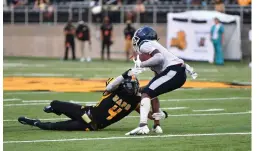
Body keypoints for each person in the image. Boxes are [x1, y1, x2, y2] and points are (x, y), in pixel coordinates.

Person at [18, 69, 167, 132]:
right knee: (54, 107)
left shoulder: (135, 100)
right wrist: (160, 114)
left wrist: (160, 114)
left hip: (90, 120)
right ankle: (52, 111)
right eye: (128, 86)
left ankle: (33, 121)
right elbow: (111, 85)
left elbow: (147, 113)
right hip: (89, 117)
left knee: (52, 125)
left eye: (132, 86)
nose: (130, 88)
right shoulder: (119, 92)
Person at [126, 26, 197, 135]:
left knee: (146, 93)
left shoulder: (146, 44)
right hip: (177, 73)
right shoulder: (154, 46)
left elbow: (159, 58)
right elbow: (156, 76)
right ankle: (157, 125)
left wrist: (141, 64)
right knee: (150, 93)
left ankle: (143, 126)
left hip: (174, 70)